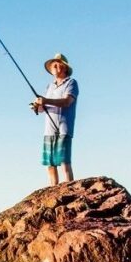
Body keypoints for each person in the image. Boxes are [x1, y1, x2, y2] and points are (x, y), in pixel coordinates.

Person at [32, 54, 79, 185]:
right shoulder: (49, 86)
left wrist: (45, 100)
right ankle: (54, 189)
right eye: (53, 65)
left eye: (58, 64)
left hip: (63, 128)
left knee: (64, 161)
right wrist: (37, 106)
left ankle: (70, 189)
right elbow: (43, 108)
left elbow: (67, 102)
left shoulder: (71, 83)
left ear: (64, 67)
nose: (55, 67)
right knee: (50, 164)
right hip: (49, 129)